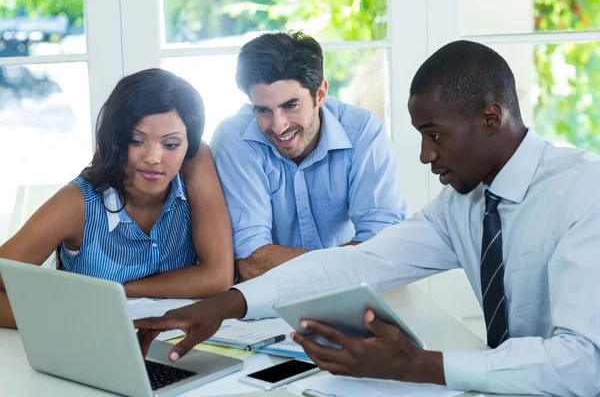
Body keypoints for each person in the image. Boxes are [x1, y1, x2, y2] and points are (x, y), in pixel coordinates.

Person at [134, 41, 600, 395]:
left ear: (491, 119)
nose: (424, 155)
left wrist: (419, 365)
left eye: (435, 135)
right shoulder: (463, 203)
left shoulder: (585, 193)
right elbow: (355, 264)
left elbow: (583, 364)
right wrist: (226, 303)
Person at [0, 68, 234, 329]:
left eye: (170, 145)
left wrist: (117, 290)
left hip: (176, 349)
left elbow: (218, 277)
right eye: (136, 140)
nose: (153, 157)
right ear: (115, 138)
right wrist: (69, 317)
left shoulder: (194, 159)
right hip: (95, 351)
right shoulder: (76, 203)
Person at [210, 31, 406, 282]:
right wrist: (351, 263)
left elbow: (383, 251)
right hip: (270, 301)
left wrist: (284, 263)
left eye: (290, 106)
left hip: (350, 293)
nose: (278, 126)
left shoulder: (363, 132)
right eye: (263, 110)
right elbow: (251, 263)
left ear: (320, 94)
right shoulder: (235, 139)